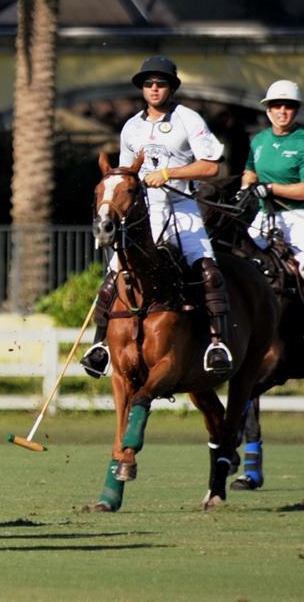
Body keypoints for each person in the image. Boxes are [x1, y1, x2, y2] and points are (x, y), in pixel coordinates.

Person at [81, 56, 233, 377]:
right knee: (113, 276)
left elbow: (210, 166)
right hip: (142, 212)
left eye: (160, 83)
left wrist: (168, 172)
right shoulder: (131, 127)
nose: (154, 88)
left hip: (181, 207)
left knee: (207, 269)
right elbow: (125, 174)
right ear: (142, 89)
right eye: (148, 83)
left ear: (171, 88)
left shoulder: (188, 119)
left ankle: (217, 344)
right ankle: (100, 347)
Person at [240, 80, 304, 368]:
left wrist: (270, 188)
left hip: (300, 216)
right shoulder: (259, 140)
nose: (282, 111)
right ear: (268, 110)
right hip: (264, 214)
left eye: (288, 106)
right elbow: (250, 171)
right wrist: (247, 186)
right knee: (236, 260)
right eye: (276, 106)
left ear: (295, 110)